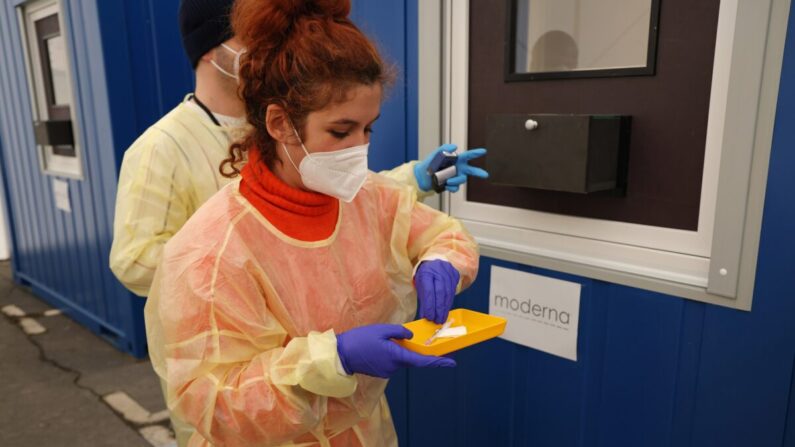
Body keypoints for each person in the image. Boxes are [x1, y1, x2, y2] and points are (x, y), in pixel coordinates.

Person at [143, 0, 480, 445]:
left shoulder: (365, 198)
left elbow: (441, 235)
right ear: (281, 123)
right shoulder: (212, 251)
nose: (359, 149)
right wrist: (330, 361)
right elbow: (211, 403)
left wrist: (440, 262)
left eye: (369, 129)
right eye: (341, 132)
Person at [109, 0, 488, 298]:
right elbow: (134, 262)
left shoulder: (279, 123)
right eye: (253, 38)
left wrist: (416, 178)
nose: (271, 50)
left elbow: (339, 201)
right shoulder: (162, 148)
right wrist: (247, 263)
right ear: (210, 51)